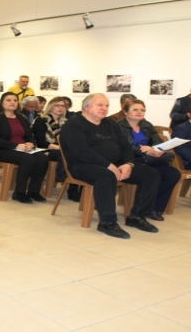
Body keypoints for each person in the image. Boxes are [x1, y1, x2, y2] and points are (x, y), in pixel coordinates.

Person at [60, 93, 161, 239]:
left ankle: (137, 217)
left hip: (115, 164)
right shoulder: (73, 125)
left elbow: (125, 145)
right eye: (100, 105)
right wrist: (109, 166)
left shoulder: (110, 123)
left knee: (151, 174)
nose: (104, 108)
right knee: (106, 176)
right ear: (87, 107)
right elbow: (81, 152)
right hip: (82, 165)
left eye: (106, 106)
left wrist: (128, 164)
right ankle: (107, 223)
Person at [118, 99, 180, 221]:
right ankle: (141, 211)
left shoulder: (147, 125)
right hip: (129, 160)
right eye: (135, 109)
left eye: (142, 110)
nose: (139, 112)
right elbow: (123, 147)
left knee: (173, 174)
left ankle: (155, 208)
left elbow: (157, 140)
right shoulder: (118, 126)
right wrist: (144, 150)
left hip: (149, 159)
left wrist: (155, 149)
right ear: (125, 112)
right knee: (153, 174)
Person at [0, 92, 49, 204]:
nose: (12, 102)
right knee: (28, 160)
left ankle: (34, 191)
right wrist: (16, 146)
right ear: (2, 102)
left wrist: (30, 144)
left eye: (15, 100)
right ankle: (19, 192)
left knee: (43, 159)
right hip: (1, 149)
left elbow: (29, 135)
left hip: (22, 148)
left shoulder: (21, 117)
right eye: (8, 100)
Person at [31, 97, 67, 162]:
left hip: (61, 148)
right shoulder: (41, 120)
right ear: (50, 107)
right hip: (44, 149)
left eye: (62, 106)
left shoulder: (65, 122)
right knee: (67, 155)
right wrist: (60, 148)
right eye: (57, 105)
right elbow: (40, 142)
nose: (60, 108)